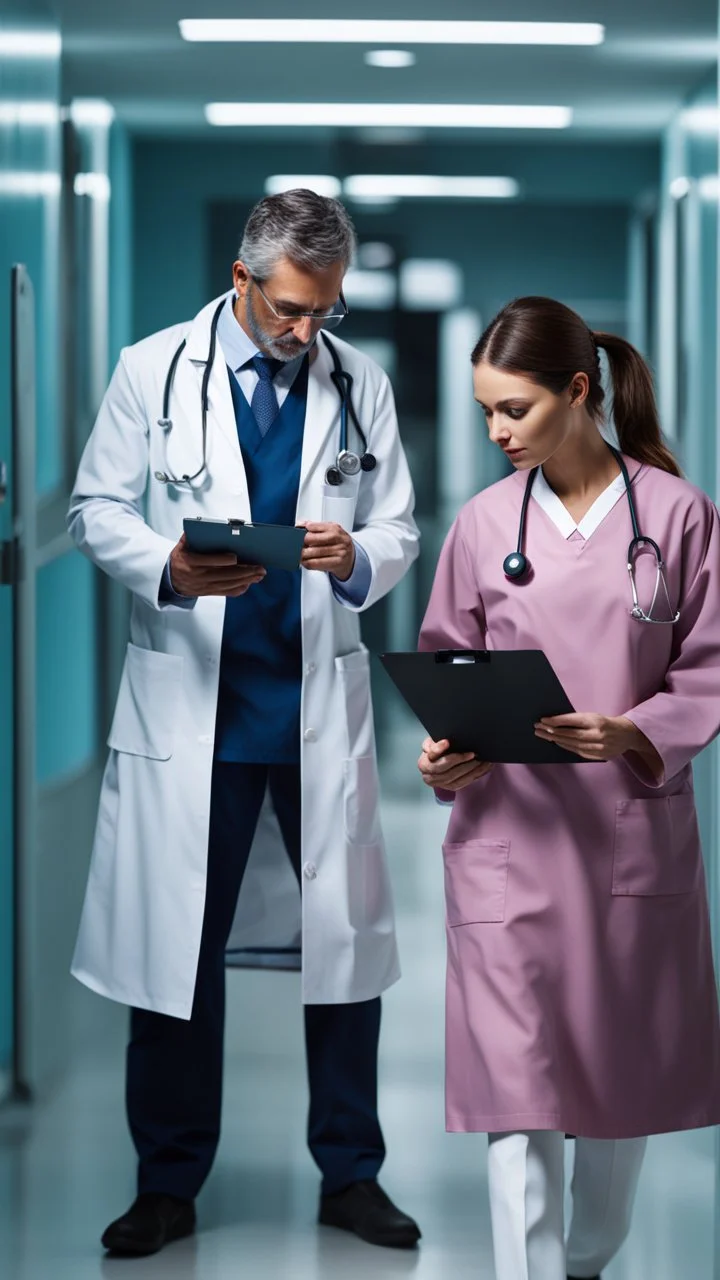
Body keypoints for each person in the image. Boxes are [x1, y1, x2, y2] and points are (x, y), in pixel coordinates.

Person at [67, 189, 421, 1257]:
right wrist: (168, 562)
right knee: (175, 956)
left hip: (313, 708)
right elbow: (95, 510)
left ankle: (351, 1173)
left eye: (327, 311)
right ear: (243, 279)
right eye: (291, 310)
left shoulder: (362, 384)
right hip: (195, 711)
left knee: (344, 954)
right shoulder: (151, 370)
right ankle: (166, 1180)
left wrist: (355, 555)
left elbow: (398, 520)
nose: (309, 332)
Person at [417, 296, 720, 1280]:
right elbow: (446, 669)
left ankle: (585, 1261)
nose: (498, 432)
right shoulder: (482, 523)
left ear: (578, 391)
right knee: (518, 1095)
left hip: (624, 843)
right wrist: (444, 753)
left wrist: (635, 728)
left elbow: (708, 670)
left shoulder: (676, 516)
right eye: (487, 413)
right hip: (508, 845)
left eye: (515, 409)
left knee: (615, 1096)